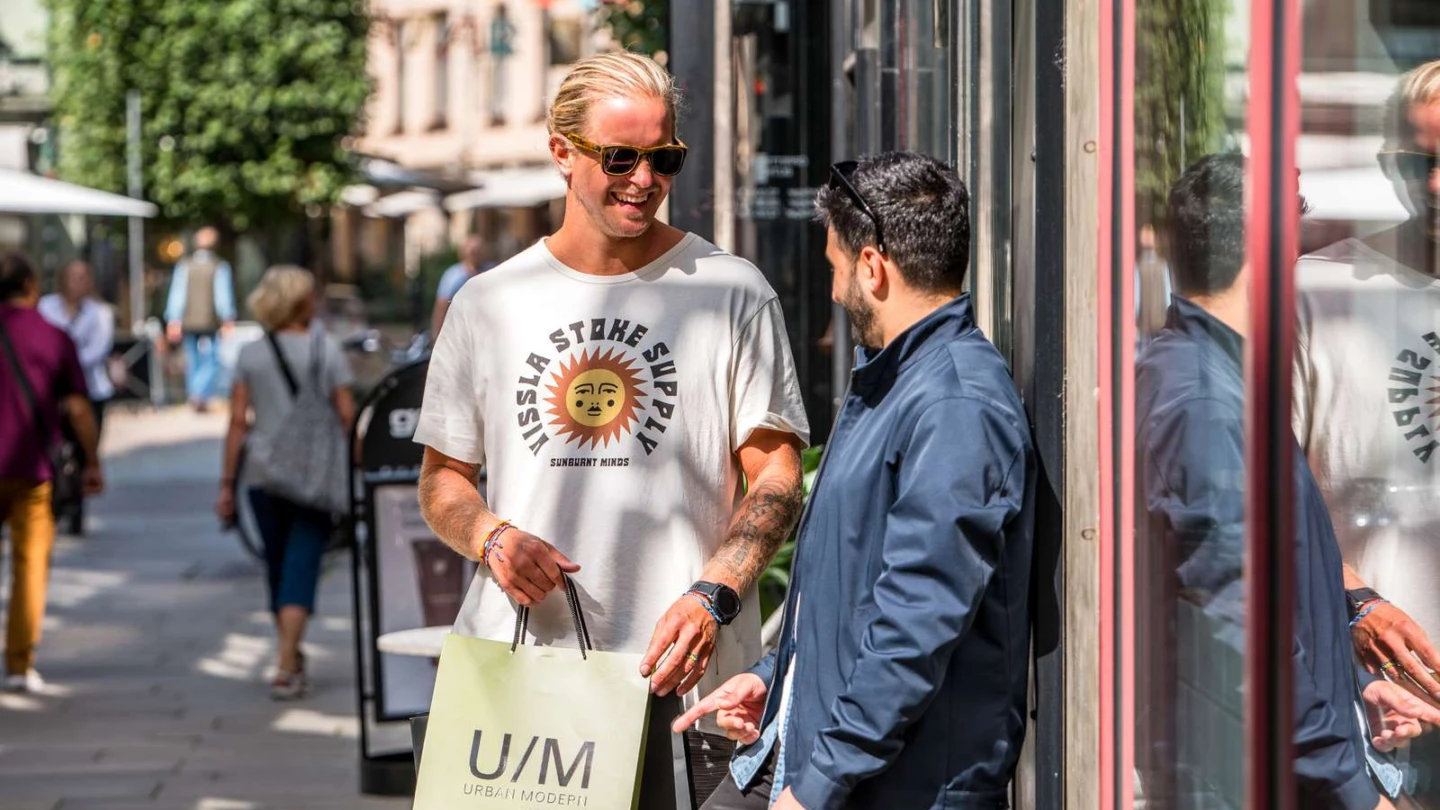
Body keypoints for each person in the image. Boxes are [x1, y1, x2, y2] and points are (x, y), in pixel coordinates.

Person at [413, 51, 809, 809]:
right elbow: (443, 480)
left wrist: (712, 595)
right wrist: (492, 537)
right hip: (524, 685)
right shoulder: (488, 304)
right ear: (561, 151)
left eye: (663, 158)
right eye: (620, 156)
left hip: (686, 692)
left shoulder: (731, 292)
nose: (644, 178)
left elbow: (777, 475)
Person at [675, 152, 1037, 810]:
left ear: (872, 266)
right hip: (831, 754)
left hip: (891, 784)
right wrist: (775, 677)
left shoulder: (953, 404)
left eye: (838, 270)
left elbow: (915, 625)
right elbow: (850, 588)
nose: (836, 291)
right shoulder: (894, 384)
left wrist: (816, 786)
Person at [1137, 155, 1439, 810]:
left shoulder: (1215, 383)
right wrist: (1351, 789)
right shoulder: (1204, 402)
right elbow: (1241, 635)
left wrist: (1353, 693)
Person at [1294, 62, 1440, 804]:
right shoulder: (1317, 294)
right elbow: (1263, 502)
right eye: (1420, 163)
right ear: (1390, 166)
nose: (1437, 184)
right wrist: (1354, 602)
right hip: (1375, 718)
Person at [216, 265, 355, 700]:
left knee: (278, 566)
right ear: (301, 301)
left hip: (263, 475)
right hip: (314, 477)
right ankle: (286, 661)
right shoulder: (327, 350)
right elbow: (347, 416)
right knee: (302, 566)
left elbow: (238, 422)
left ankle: (289, 655)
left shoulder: (252, 354)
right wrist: (359, 469)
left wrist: (225, 484)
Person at [0, 253, 104, 694]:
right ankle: (20, 664)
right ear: (31, 285)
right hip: (33, 469)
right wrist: (93, 461)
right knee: (30, 565)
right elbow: (79, 407)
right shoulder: (52, 336)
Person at [39, 260, 116, 535]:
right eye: (73, 276)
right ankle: (57, 498)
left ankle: (77, 502)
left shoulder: (100, 313)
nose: (78, 282)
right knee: (54, 446)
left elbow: (98, 349)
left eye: (84, 276)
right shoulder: (47, 307)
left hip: (89, 388)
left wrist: (65, 365)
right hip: (52, 390)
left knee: (85, 446)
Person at [164, 226, 236, 412]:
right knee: (211, 359)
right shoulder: (219, 266)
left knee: (193, 358)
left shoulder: (185, 265)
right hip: (209, 320)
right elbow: (223, 296)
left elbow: (177, 295)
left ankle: (196, 394)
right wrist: (227, 318)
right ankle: (199, 394)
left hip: (189, 320)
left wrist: (174, 319)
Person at [430, 234, 492, 340]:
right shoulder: (453, 275)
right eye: (472, 251)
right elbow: (441, 306)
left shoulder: (491, 271)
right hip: (460, 331)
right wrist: (437, 336)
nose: (475, 254)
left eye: (478, 250)